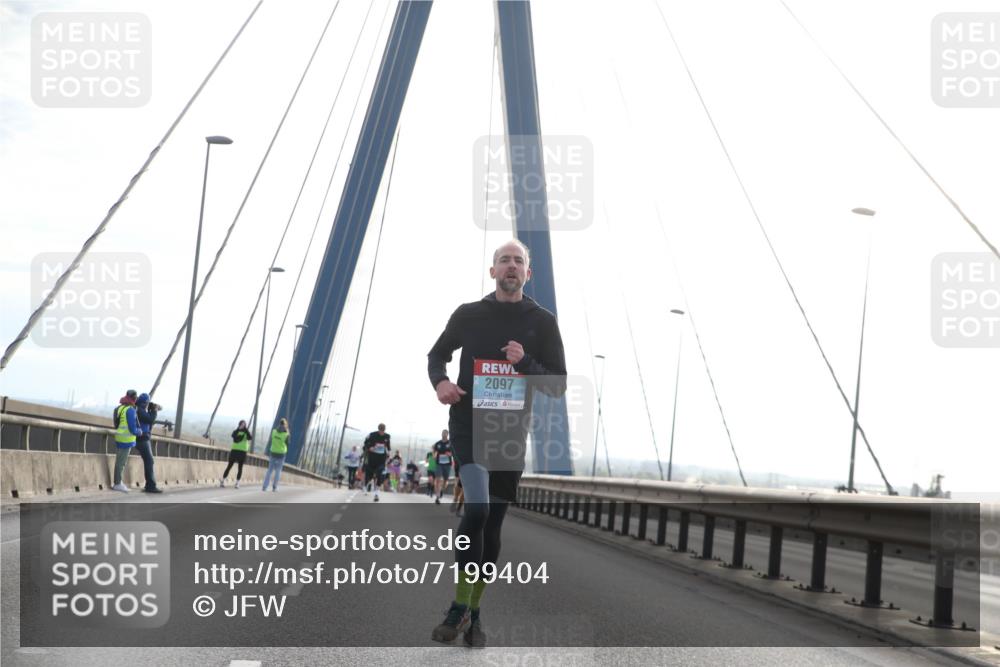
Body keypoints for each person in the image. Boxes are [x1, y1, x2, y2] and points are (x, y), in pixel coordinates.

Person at [427, 240, 566, 647]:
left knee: (493, 527)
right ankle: (458, 605)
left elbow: (556, 386)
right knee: (478, 510)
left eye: (518, 261)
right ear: (492, 272)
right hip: (469, 427)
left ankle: (474, 611)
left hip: (509, 437)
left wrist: (524, 362)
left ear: (528, 274)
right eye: (503, 260)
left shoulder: (542, 322)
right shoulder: (469, 314)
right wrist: (442, 383)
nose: (510, 266)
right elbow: (436, 355)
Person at [111, 390, 142, 492]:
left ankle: (118, 482)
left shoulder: (120, 408)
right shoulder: (130, 410)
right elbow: (133, 429)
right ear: (134, 398)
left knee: (119, 462)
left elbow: (116, 424)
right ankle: (117, 483)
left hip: (119, 437)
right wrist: (139, 431)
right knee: (121, 462)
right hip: (126, 440)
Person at [134, 393, 163, 493]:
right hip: (142, 439)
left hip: (142, 438)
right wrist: (154, 411)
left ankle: (149, 485)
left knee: (149, 461)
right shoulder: (140, 411)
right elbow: (150, 419)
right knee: (149, 461)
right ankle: (150, 486)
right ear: (144, 403)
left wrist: (153, 409)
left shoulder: (139, 409)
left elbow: (150, 417)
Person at [362, 423, 391, 502]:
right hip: (372, 459)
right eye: (381, 431)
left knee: (380, 474)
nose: (382, 432)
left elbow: (388, 446)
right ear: (379, 429)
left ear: (384, 430)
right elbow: (365, 444)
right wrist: (369, 448)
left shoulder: (387, 436)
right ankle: (365, 485)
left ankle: (377, 493)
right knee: (370, 476)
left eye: (383, 431)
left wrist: (388, 453)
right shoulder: (372, 435)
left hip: (381, 459)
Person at [221, 420, 252, 488]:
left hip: (242, 451)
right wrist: (239, 429)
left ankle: (237, 483)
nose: (243, 425)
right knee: (229, 466)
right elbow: (233, 436)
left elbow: (250, 438)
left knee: (240, 468)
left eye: (244, 424)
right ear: (239, 424)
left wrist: (246, 430)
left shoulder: (246, 432)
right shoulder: (236, 431)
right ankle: (223, 480)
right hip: (235, 450)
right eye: (242, 424)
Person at [262, 418, 290, 492]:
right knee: (278, 471)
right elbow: (288, 444)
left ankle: (265, 486)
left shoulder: (274, 431)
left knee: (269, 470)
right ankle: (274, 487)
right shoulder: (286, 434)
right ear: (285, 425)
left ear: (279, 424)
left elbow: (272, 440)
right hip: (281, 454)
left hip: (273, 452)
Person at [432, 430, 453, 504]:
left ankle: (441, 490)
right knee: (438, 480)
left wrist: (450, 454)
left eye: (445, 433)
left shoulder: (450, 443)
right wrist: (434, 455)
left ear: (447, 434)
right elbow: (434, 451)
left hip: (447, 464)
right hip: (439, 464)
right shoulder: (438, 443)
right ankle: (437, 497)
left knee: (445, 481)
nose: (444, 434)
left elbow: (454, 452)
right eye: (443, 433)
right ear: (441, 434)